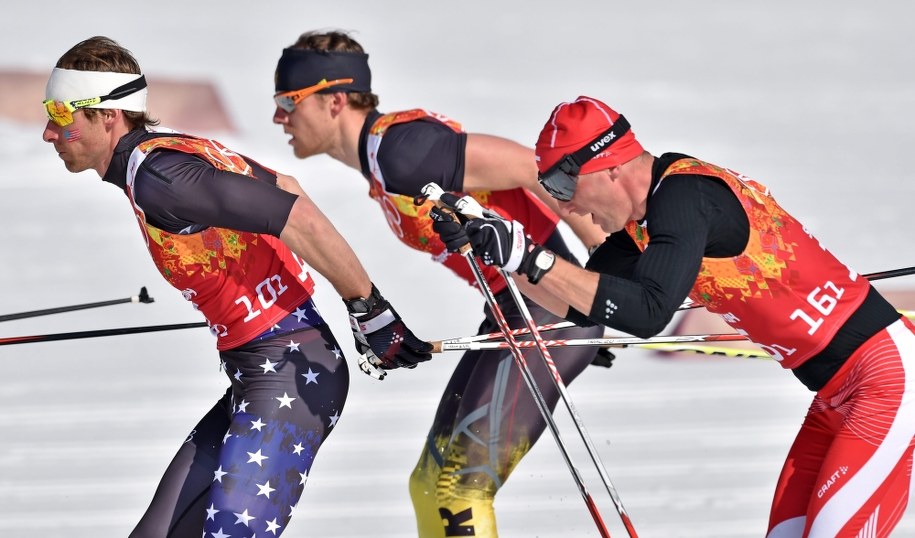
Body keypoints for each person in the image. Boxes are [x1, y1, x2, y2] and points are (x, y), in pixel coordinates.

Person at [432, 94, 915, 537]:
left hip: (887, 378)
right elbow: (579, 305)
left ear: (609, 169)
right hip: (835, 397)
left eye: (562, 183)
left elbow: (648, 313)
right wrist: (497, 251)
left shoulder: (684, 199)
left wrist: (532, 258)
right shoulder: (642, 228)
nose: (564, 204)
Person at [41, 36, 432, 538]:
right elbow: (285, 186)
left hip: (288, 372)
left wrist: (370, 309)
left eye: (61, 112)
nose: (51, 132)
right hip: (263, 369)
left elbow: (298, 216)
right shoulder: (168, 158)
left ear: (108, 115)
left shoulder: (161, 176)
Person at [270, 31, 610, 537]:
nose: (279, 118)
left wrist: (604, 281)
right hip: (515, 309)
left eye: (287, 102)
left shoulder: (404, 150)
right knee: (429, 485)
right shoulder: (383, 163)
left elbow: (535, 168)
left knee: (458, 490)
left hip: (548, 309)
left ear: (335, 99)